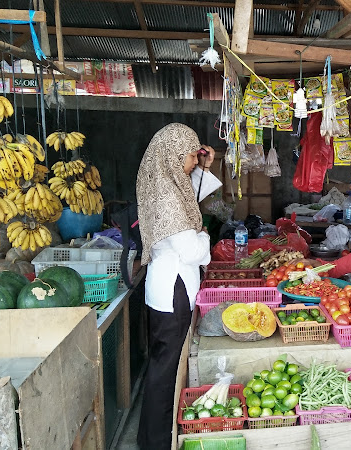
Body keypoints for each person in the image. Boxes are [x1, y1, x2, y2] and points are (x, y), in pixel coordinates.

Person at [136, 123, 217, 450]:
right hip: (174, 289)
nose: (192, 162)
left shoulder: (165, 181)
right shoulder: (167, 194)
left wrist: (203, 166)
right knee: (166, 370)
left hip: (167, 287)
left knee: (163, 364)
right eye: (189, 156)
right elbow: (192, 251)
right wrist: (205, 237)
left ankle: (152, 437)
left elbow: (189, 198)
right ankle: (157, 441)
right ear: (173, 156)